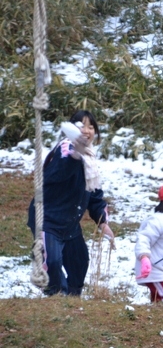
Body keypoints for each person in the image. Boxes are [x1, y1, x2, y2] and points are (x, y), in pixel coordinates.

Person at [27, 110, 115, 296]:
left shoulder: (90, 159)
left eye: (91, 126)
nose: (87, 130)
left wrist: (102, 222)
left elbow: (94, 194)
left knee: (80, 262)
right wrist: (75, 155)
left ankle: (73, 302)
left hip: (70, 224)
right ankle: (57, 297)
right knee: (53, 262)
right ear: (72, 128)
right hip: (47, 220)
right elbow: (57, 174)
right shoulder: (65, 149)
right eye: (82, 125)